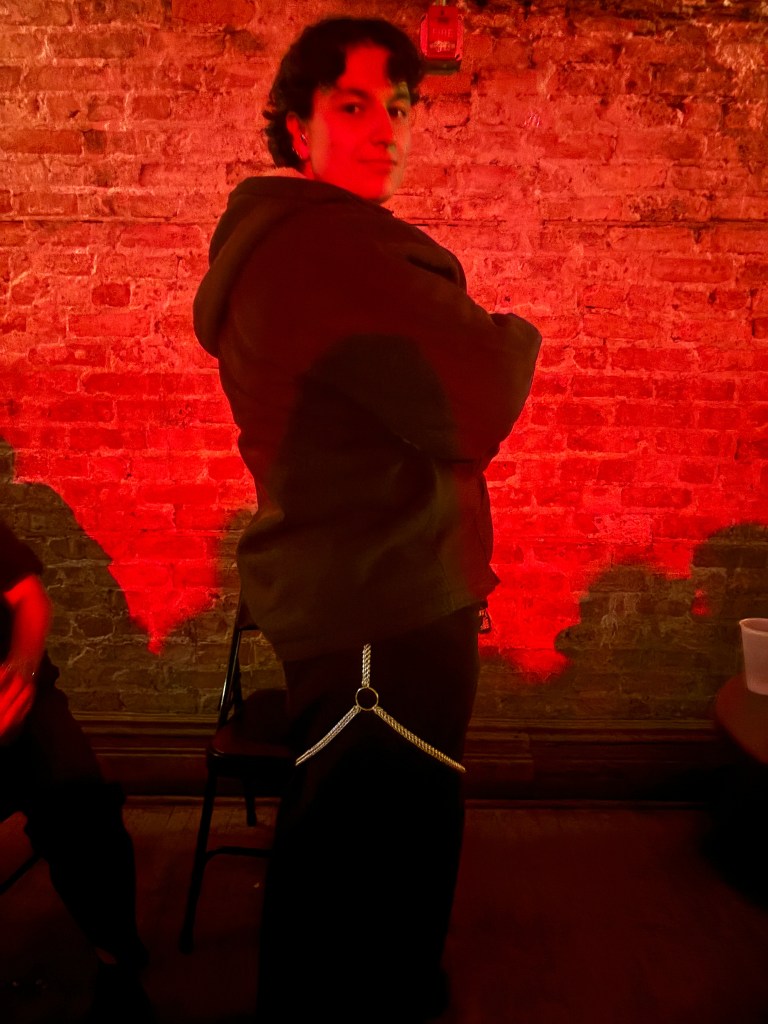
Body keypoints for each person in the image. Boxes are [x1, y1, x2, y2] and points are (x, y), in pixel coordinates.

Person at [193, 16, 542, 1022]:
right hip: (379, 620)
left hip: (359, 608)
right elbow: (481, 393)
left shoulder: (300, 247)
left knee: (347, 872)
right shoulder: (326, 250)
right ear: (297, 127)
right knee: (367, 892)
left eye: (398, 107)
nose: (386, 130)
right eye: (353, 106)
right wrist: (515, 330)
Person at [0, 517, 153, 1023]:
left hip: (18, 701)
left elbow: (30, 597)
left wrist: (20, 674)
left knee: (82, 808)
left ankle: (116, 958)